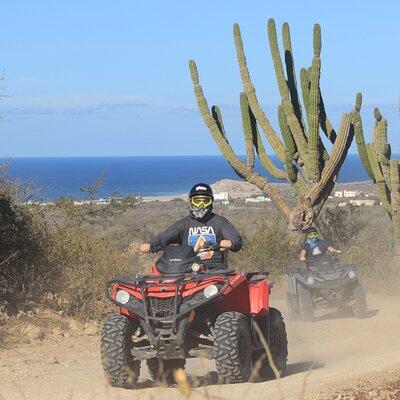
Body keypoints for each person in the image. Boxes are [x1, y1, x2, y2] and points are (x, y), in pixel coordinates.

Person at [139, 183, 242, 268]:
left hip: (215, 268)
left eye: (205, 201)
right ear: (191, 201)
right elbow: (164, 237)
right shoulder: (184, 223)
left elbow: (237, 241)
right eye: (197, 201)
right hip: (187, 267)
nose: (201, 205)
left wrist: (231, 243)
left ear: (211, 202)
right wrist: (151, 245)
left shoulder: (220, 222)